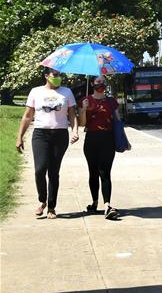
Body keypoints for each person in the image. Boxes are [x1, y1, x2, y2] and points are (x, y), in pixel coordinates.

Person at [15, 66, 80, 219]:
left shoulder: (67, 92)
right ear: (46, 76)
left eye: (59, 75)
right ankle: (42, 200)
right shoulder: (36, 92)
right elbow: (27, 116)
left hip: (60, 134)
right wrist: (20, 137)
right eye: (55, 74)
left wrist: (75, 131)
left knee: (53, 172)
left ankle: (51, 207)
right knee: (39, 170)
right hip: (40, 134)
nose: (58, 77)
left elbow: (72, 114)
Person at [79, 75, 121, 220]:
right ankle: (95, 201)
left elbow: (118, 121)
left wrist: (122, 137)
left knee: (105, 172)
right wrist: (83, 110)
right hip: (91, 139)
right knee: (93, 173)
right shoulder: (86, 100)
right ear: (92, 83)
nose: (101, 84)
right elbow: (82, 124)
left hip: (107, 139)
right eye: (98, 82)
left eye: (103, 82)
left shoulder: (111, 101)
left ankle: (107, 205)